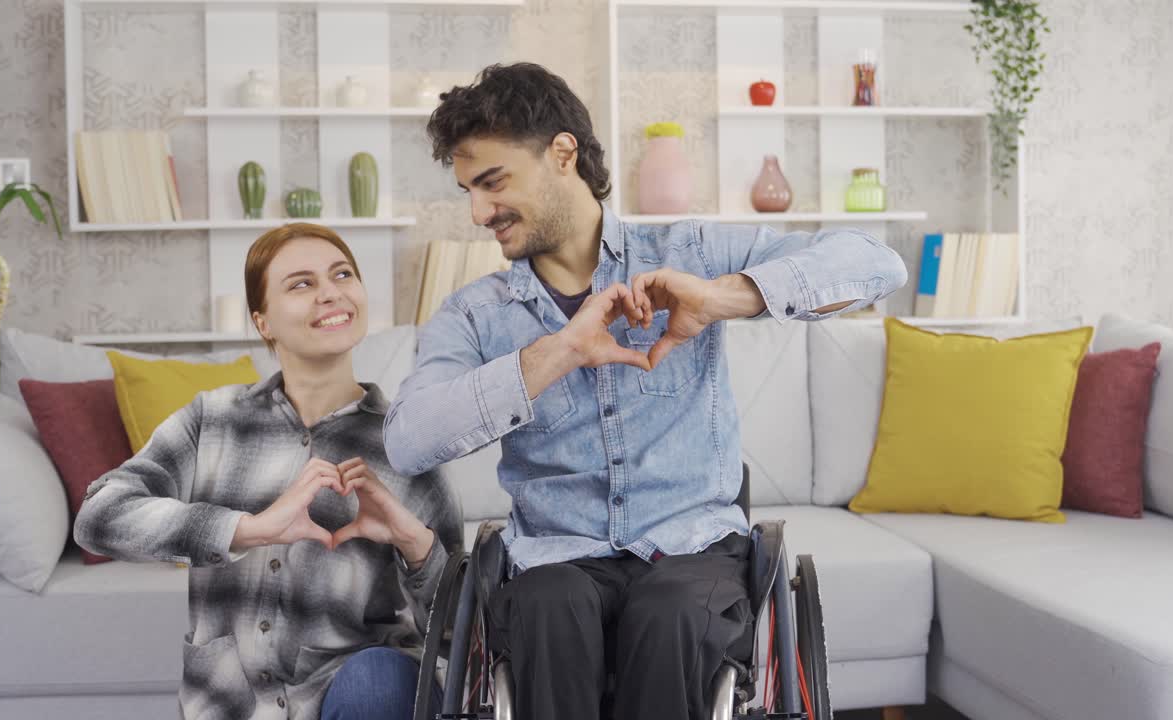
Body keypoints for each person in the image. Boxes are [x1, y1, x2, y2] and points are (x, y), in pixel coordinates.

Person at [383, 63, 908, 720]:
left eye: (492, 182)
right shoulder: (474, 314)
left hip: (693, 549)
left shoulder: (689, 249)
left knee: (672, 612)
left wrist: (724, 297)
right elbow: (407, 441)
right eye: (468, 190)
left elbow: (877, 264)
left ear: (562, 153)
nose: (478, 212)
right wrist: (560, 351)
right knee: (550, 607)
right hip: (556, 557)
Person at [75, 223, 461, 720]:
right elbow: (98, 515)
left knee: (379, 682)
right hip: (229, 705)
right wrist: (246, 529)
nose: (330, 292)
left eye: (342, 274)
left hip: (353, 698)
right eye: (301, 284)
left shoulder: (406, 444)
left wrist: (418, 549)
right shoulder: (211, 420)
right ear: (264, 323)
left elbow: (460, 641)